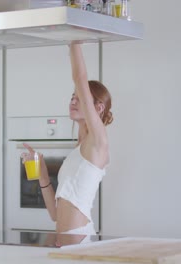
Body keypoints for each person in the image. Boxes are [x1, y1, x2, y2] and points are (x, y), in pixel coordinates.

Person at [23, 42, 113, 241]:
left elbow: (80, 79)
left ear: (97, 108)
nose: (73, 100)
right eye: (72, 97)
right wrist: (42, 173)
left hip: (79, 242)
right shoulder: (78, 150)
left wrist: (73, 40)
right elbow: (55, 215)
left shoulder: (98, 141)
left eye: (79, 97)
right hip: (62, 242)